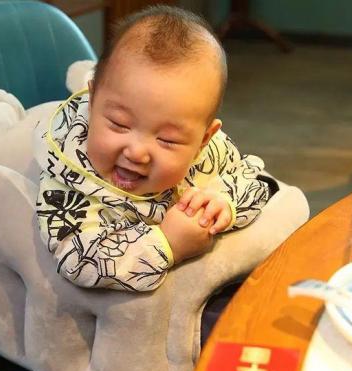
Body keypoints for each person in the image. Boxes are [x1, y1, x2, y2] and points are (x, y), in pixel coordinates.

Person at [35, 5, 277, 291]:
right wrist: (165, 244)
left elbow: (258, 180)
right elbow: (77, 261)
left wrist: (223, 202)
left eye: (167, 140)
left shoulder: (208, 152)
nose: (137, 152)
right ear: (93, 101)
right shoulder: (67, 175)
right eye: (119, 124)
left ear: (203, 140)